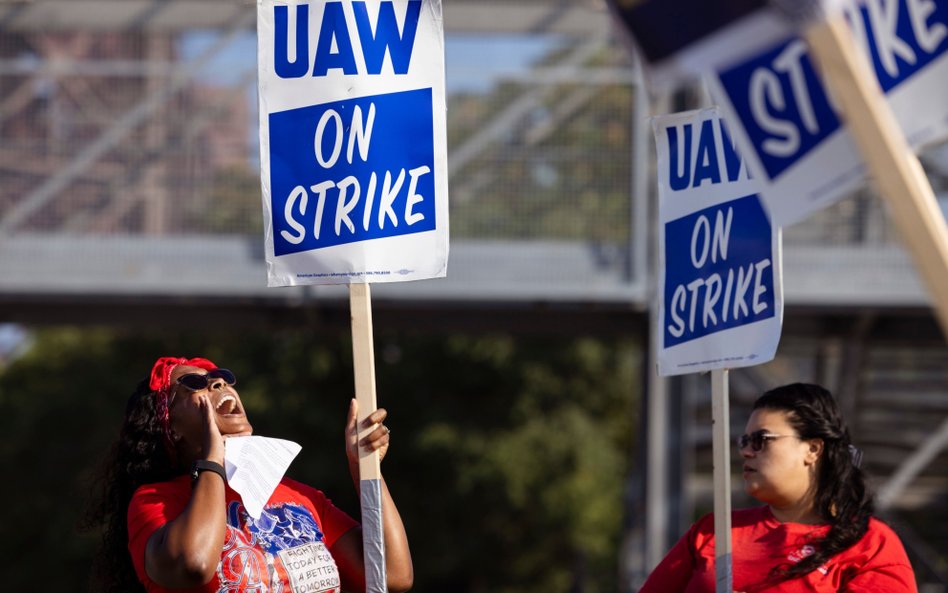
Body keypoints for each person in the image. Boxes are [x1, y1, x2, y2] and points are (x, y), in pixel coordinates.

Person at [84, 356, 412, 593]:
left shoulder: (300, 496)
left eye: (221, 377)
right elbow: (193, 565)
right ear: (171, 427)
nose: (219, 382)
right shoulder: (156, 501)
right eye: (194, 384)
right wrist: (212, 457)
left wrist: (364, 468)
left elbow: (391, 575)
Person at [638, 382, 917, 593]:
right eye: (744, 441)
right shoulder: (712, 532)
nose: (746, 451)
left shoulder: (871, 544)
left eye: (762, 439)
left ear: (813, 449)